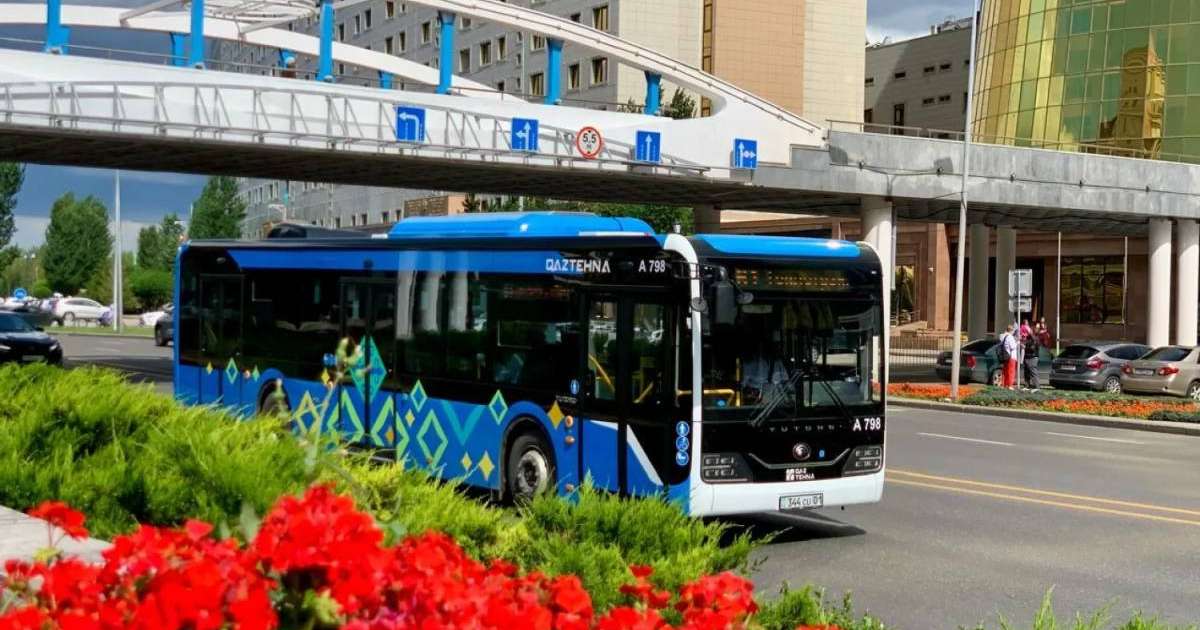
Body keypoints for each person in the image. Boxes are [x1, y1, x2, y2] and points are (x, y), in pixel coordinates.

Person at [999, 324, 1019, 389]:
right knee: (1011, 371)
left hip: (1005, 356)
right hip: (1011, 356)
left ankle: (1004, 385)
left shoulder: (1003, 336)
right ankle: (1010, 385)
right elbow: (1013, 347)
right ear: (1011, 330)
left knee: (1005, 371)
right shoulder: (1010, 337)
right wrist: (1017, 343)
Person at [1022, 324, 1040, 390]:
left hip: (1032, 357)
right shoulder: (1028, 338)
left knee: (1033, 372)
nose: (1028, 331)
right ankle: (1027, 386)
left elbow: (1032, 348)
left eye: (1030, 330)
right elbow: (1027, 344)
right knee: (1026, 372)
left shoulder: (1035, 338)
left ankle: (1036, 387)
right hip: (1027, 356)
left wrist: (1025, 347)